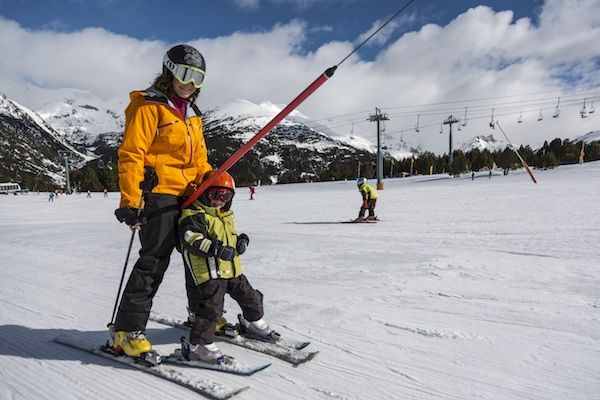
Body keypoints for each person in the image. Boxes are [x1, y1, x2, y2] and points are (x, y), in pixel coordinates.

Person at [111, 44, 212, 358]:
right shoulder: (148, 106)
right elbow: (131, 155)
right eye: (185, 75)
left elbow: (201, 161)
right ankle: (127, 331)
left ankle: (202, 317)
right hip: (159, 195)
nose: (190, 84)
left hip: (190, 195)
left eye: (198, 78)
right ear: (169, 71)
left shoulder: (193, 114)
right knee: (154, 261)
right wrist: (130, 199)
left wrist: (211, 183)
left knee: (200, 259)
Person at [178, 171, 277, 362]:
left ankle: (252, 322)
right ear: (203, 193)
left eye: (226, 196)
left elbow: (229, 235)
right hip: (210, 272)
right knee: (211, 309)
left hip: (232, 270)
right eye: (215, 195)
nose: (220, 201)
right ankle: (199, 346)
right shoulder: (194, 215)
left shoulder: (225, 215)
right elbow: (191, 238)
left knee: (251, 297)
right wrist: (216, 249)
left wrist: (241, 241)